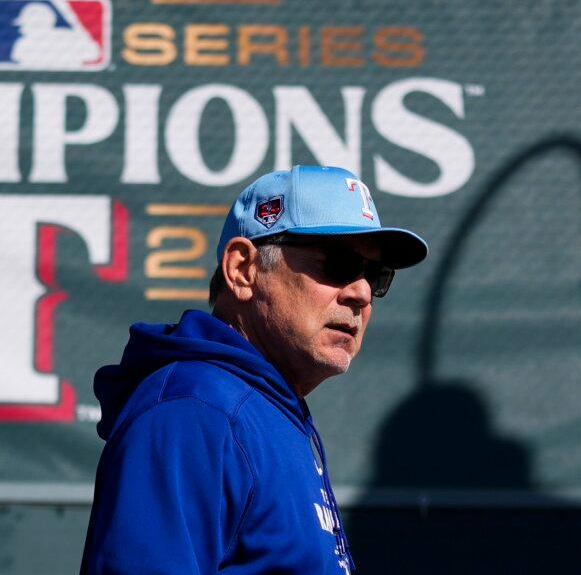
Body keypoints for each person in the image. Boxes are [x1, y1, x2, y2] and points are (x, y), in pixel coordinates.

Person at [80, 165, 428, 574]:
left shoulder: (262, 407)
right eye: (337, 264)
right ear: (244, 269)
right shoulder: (193, 411)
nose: (362, 293)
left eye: (375, 275)